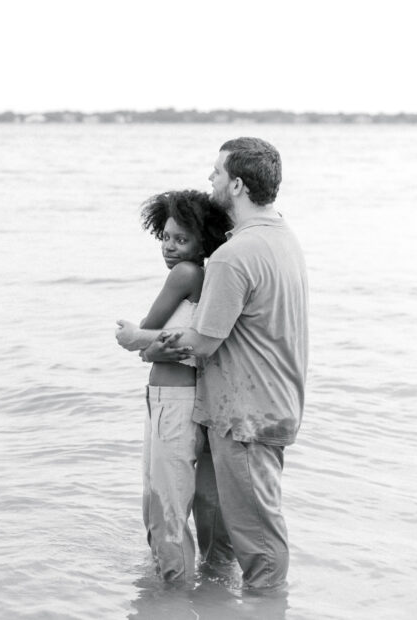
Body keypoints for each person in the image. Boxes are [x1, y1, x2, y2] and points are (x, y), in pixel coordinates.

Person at [125, 137, 308, 593]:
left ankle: (267, 606)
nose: (211, 180)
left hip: (246, 413)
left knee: (257, 540)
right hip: (268, 403)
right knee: (234, 532)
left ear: (239, 184)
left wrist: (138, 341)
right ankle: (221, 603)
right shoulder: (282, 238)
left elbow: (201, 343)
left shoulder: (234, 255)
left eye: (217, 173)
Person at [115, 189, 231, 582]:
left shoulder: (185, 274)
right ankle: (206, 591)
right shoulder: (210, 276)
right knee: (189, 503)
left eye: (181, 239)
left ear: (203, 241)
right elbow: (173, 344)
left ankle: (170, 596)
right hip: (190, 397)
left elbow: (145, 331)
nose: (169, 247)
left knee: (164, 507)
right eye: (165, 237)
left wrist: (141, 344)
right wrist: (152, 351)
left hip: (170, 401)